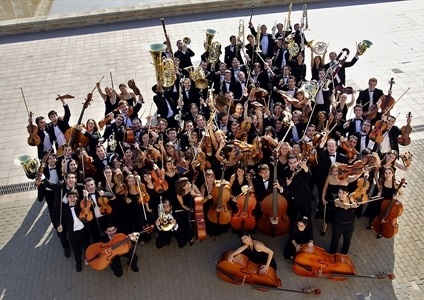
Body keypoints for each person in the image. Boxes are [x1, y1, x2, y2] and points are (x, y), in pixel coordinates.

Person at [56, 189, 90, 272]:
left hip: (83, 231)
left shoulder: (81, 205)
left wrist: (86, 196)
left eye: (74, 197)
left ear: (77, 198)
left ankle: (89, 257)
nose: (72, 198)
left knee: (87, 246)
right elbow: (62, 221)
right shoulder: (64, 209)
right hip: (73, 233)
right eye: (70, 197)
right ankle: (78, 262)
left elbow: (87, 205)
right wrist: (60, 227)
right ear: (67, 198)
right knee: (76, 249)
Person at [329, 186, 359, 254]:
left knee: (347, 241)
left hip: (350, 224)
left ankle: (344, 254)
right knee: (335, 239)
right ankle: (332, 254)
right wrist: (352, 206)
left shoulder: (351, 198)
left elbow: (360, 196)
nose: (341, 195)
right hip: (338, 224)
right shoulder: (337, 201)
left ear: (347, 193)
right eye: (339, 193)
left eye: (343, 193)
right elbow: (344, 206)